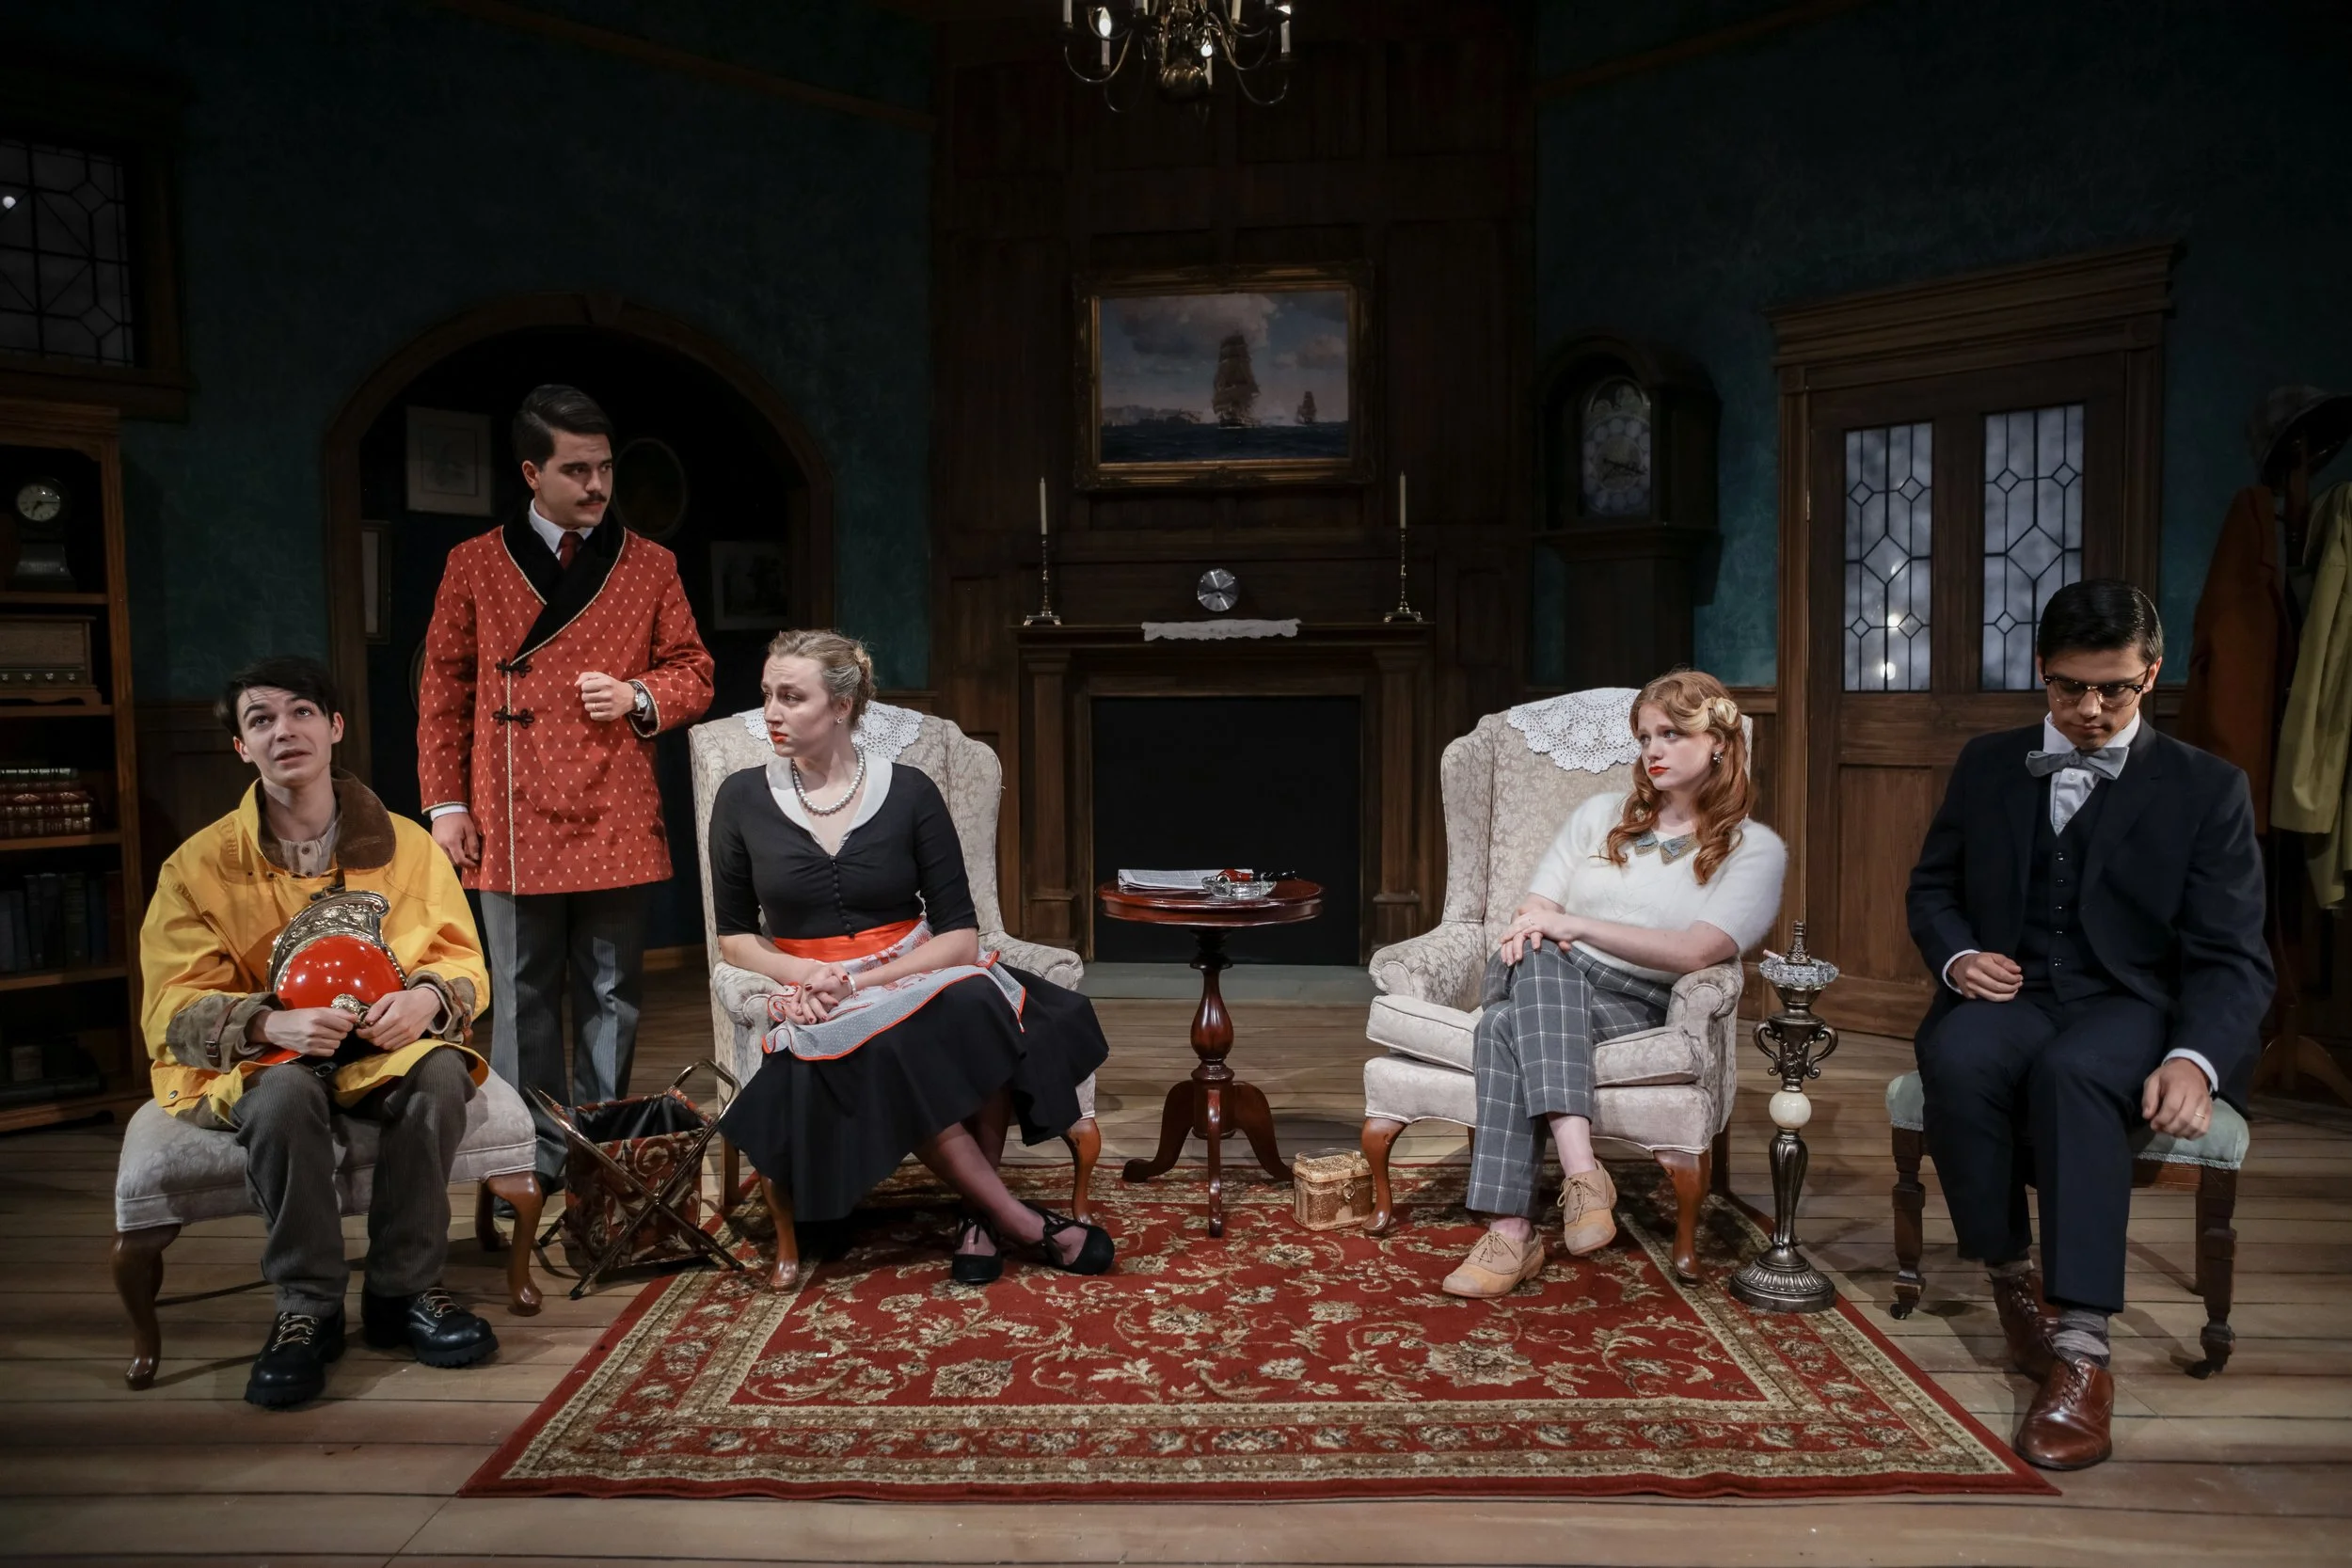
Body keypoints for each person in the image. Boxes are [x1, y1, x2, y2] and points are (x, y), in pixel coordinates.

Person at [1906, 578, 2270, 1471]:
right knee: (1957, 1055)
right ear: (2041, 671)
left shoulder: (2208, 788)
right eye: (2070, 686)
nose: (2092, 709)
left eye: (2116, 688)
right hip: (2015, 990)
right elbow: (1934, 888)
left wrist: (2195, 1058)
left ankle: (2082, 1350)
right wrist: (1958, 958)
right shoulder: (1988, 762)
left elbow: (2234, 954)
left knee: (2076, 1074)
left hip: (2130, 1002)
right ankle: (2007, 1278)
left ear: (2151, 675)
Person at [140, 657, 498, 1408]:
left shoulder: (408, 844)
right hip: (267, 1056)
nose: (283, 731)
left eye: (301, 712)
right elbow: (171, 1006)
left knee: (438, 1076)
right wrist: (270, 1020)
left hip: (383, 1047)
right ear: (242, 748)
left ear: (334, 728)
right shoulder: (197, 867)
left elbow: (461, 958)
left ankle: (403, 1295)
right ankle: (307, 1309)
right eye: (260, 720)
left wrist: (429, 1000)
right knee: (280, 1100)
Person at [710, 630, 1114, 1283]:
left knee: (976, 999)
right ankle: (1012, 1219)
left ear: (840, 706)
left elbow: (958, 937)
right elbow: (733, 935)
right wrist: (807, 975)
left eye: (791, 696)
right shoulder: (741, 798)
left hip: (909, 969)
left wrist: (867, 977)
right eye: (766, 695)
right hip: (814, 987)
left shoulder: (910, 792)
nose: (771, 713)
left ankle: (981, 1218)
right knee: (884, 1042)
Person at [417, 384, 715, 1186]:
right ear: (531, 472)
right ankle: (529, 1157)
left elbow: (696, 672)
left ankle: (598, 1153)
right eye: (576, 469)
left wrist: (636, 696)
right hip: (508, 814)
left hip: (612, 802)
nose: (595, 486)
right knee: (516, 999)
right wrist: (446, 805)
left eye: (605, 469)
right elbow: (443, 691)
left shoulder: (651, 565)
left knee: (612, 996)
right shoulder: (473, 563)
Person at [1442, 671, 1786, 1299]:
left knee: (1501, 1024)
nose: (1653, 749)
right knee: (1539, 950)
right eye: (1645, 736)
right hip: (1538, 966)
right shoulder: (1598, 815)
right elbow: (1533, 909)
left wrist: (1571, 923)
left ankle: (1513, 1231)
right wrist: (1547, 926)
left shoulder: (1752, 849)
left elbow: (1696, 951)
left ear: (1717, 742)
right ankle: (1582, 1174)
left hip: (1639, 999)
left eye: (1673, 734)